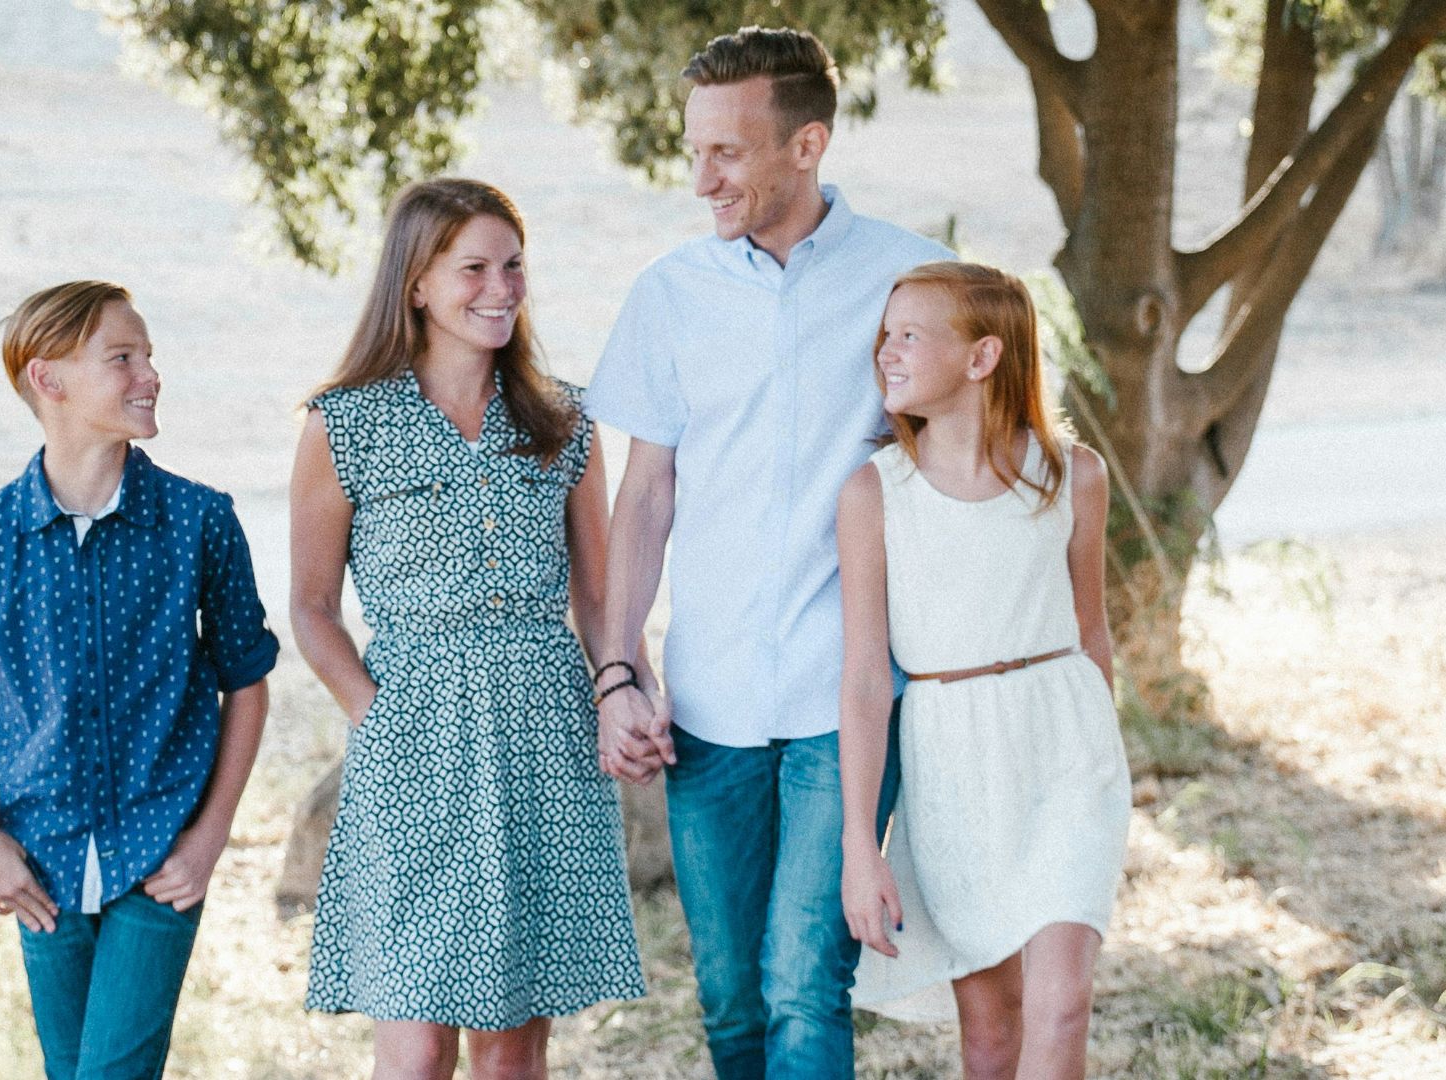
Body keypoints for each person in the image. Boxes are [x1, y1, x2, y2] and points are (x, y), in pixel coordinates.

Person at [585, 26, 953, 1079]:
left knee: (804, 985)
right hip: (708, 703)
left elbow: (965, 465)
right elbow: (644, 496)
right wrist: (618, 670)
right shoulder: (669, 294)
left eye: (729, 154)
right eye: (694, 150)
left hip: (850, 697)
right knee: (733, 1002)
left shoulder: (909, 281)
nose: (702, 178)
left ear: (807, 144)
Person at [291, 177, 645, 1080]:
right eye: (475, 268)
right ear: (415, 283)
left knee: (514, 1048)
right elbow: (312, 608)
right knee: (413, 1048)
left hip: (544, 733)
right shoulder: (347, 423)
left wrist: (623, 694)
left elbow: (602, 601)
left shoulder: (562, 419)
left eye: (515, 266)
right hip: (413, 734)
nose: (501, 287)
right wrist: (377, 714)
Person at [0, 280, 279, 1079]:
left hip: (161, 859)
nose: (150, 374)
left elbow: (247, 680)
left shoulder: (200, 522)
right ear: (48, 379)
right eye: (123, 358)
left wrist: (212, 833)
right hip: (35, 861)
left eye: (149, 356)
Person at [836, 262, 1131, 1078]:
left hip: (1065, 746)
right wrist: (863, 844)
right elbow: (864, 679)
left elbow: (1091, 631)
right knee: (992, 1028)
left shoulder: (1074, 475)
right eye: (884, 336)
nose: (886, 353)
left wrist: (1104, 761)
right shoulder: (876, 492)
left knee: (1062, 1000)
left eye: (910, 336)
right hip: (955, 761)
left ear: (981, 357)